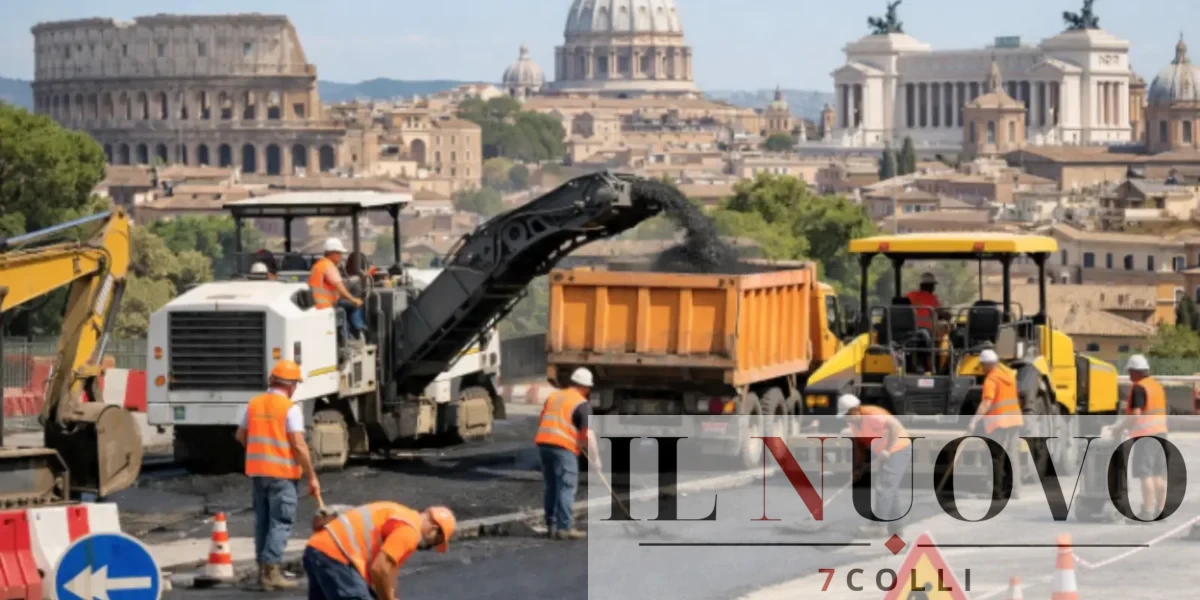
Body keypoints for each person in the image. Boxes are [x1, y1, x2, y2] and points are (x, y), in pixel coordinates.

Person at [235, 359, 322, 591]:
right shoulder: (290, 409)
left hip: (257, 473)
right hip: (282, 474)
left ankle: (263, 571)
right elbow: (299, 445)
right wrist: (311, 476)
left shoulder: (253, 404)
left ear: (271, 380)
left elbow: (240, 435)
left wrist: (259, 453)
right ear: (292, 385)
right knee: (280, 521)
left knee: (263, 522)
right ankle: (271, 572)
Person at [305, 502, 456, 600]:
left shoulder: (399, 512)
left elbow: (387, 571)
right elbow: (380, 569)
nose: (427, 546)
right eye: (434, 543)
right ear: (432, 530)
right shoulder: (411, 531)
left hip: (316, 550)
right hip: (337, 557)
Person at [535, 367, 602, 540]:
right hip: (563, 448)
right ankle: (564, 527)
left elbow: (543, 419)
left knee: (551, 486)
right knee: (567, 487)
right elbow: (587, 434)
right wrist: (596, 459)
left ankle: (551, 525)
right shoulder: (582, 404)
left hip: (544, 443)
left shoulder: (554, 396)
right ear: (586, 387)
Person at [839, 394, 911, 538]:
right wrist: (857, 469)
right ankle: (896, 530)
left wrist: (887, 451)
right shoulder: (853, 424)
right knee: (891, 491)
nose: (846, 418)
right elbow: (860, 447)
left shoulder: (872, 414)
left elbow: (894, 427)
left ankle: (878, 526)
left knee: (884, 486)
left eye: (847, 415)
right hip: (883, 452)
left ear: (856, 410)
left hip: (899, 448)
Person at [1112, 354, 1169, 520]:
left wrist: (1119, 428)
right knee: (1158, 474)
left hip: (1146, 436)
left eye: (1130, 372)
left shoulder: (1139, 388)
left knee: (1146, 474)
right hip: (1161, 433)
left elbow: (1136, 414)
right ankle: (1160, 510)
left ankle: (1147, 511)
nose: (1129, 376)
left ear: (1136, 372)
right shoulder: (1156, 386)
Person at [969, 349, 1025, 500]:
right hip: (1014, 420)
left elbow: (987, 402)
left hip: (999, 423)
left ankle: (995, 492)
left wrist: (974, 421)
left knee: (995, 457)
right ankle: (1014, 491)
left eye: (982, 365)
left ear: (987, 365)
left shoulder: (991, 380)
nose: (981, 368)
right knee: (1012, 456)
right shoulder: (1008, 375)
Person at [309, 237, 367, 341]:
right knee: (355, 305)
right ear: (333, 253)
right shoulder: (329, 266)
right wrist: (354, 300)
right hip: (326, 305)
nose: (340, 256)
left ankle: (351, 334)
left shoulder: (318, 265)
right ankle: (353, 335)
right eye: (339, 253)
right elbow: (341, 289)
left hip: (316, 304)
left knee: (346, 304)